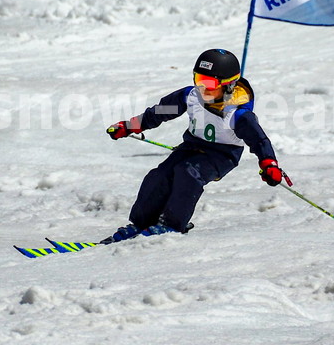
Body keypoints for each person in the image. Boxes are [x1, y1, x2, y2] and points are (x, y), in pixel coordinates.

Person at [104, 48, 282, 243]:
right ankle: (140, 224)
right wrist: (130, 126)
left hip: (222, 155)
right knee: (160, 175)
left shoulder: (237, 114)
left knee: (188, 173)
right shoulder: (190, 96)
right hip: (191, 146)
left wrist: (269, 164)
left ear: (229, 85)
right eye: (199, 79)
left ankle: (171, 225)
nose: (203, 88)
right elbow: (159, 113)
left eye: (210, 83)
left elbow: (259, 140)